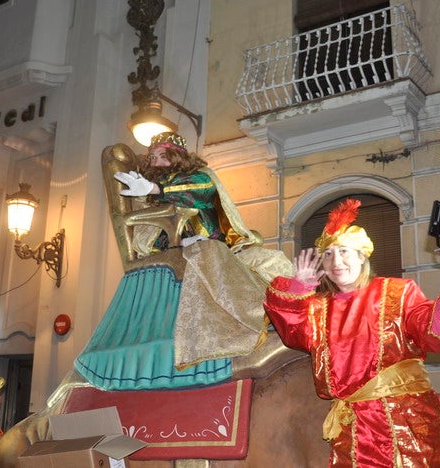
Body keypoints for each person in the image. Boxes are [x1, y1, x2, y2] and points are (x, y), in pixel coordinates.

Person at [73, 131, 292, 390]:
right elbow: (144, 235)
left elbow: (202, 189)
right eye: (152, 157)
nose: (155, 162)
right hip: (191, 250)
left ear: (177, 158)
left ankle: (290, 313)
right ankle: (256, 320)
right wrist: (173, 236)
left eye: (162, 156)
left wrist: (157, 189)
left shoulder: (194, 178)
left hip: (222, 246)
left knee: (270, 259)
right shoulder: (145, 192)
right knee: (211, 254)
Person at [263, 199, 440, 467]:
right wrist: (299, 287)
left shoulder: (397, 291)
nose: (336, 261)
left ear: (362, 256)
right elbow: (292, 329)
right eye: (328, 254)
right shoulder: (318, 308)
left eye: (345, 252)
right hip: (351, 428)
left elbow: (431, 335)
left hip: (404, 423)